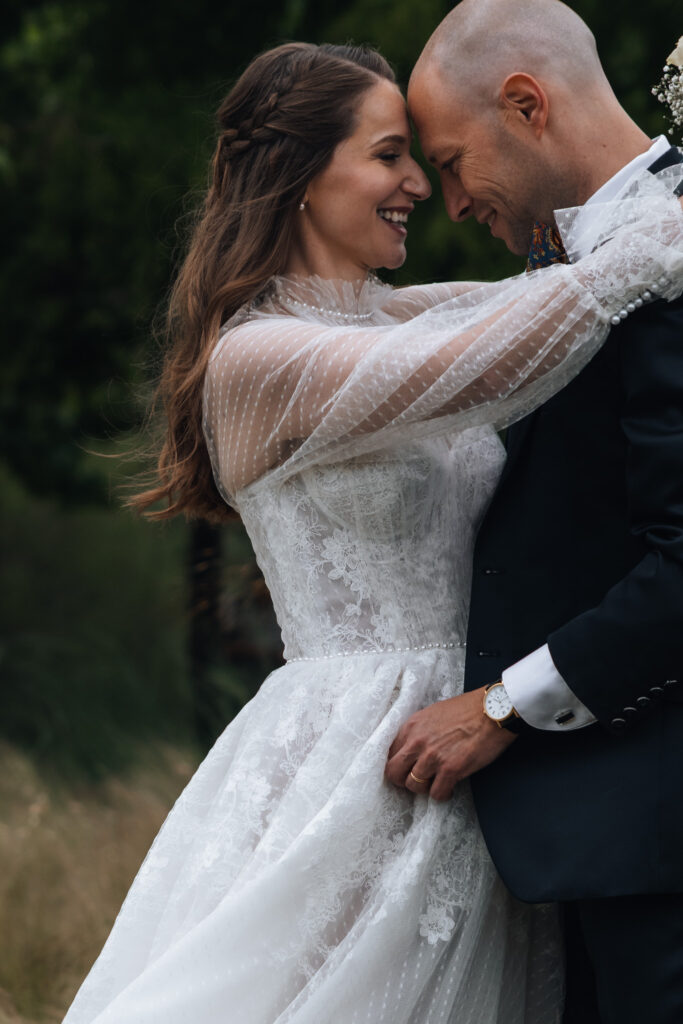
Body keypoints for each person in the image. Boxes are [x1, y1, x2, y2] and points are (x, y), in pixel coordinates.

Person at [62, 39, 683, 1024]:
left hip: (486, 749)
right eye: (391, 156)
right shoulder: (254, 360)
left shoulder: (396, 318)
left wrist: (636, 208)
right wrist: (654, 243)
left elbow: (525, 306)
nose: (418, 190)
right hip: (361, 757)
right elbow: (501, 355)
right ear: (301, 176)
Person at [386, 2, 683, 1022]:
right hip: (590, 841)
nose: (451, 200)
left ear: (525, 104)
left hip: (660, 844)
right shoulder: (570, 267)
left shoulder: (671, 254)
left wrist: (505, 704)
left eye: (454, 159)